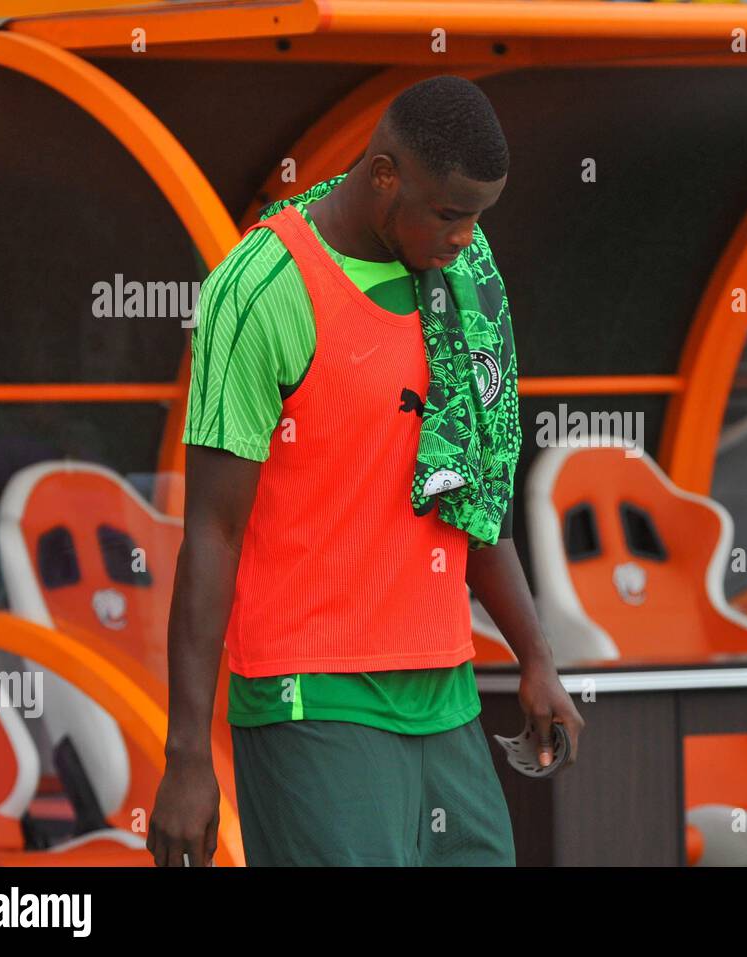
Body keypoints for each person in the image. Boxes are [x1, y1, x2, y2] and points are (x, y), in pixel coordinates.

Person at [147, 75, 584, 867]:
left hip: (445, 693)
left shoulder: (465, 273)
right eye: (449, 212)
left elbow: (475, 498)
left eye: (479, 214)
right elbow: (211, 533)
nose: (467, 236)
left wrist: (536, 656)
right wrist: (185, 756)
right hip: (312, 697)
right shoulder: (261, 287)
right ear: (385, 174)